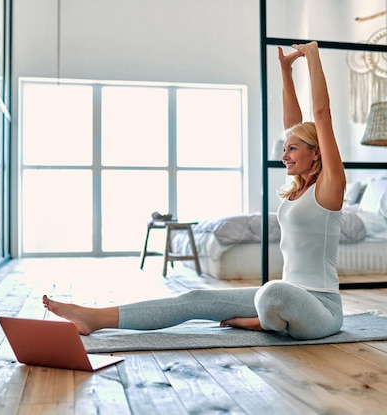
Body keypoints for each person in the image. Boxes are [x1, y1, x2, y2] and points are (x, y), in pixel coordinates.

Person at [42, 42, 346, 340]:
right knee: (195, 298)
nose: (285, 154)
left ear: (316, 153)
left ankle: (261, 322)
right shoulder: (297, 188)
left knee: (273, 291)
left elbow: (322, 114)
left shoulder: (330, 187)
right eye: (285, 148)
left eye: (292, 149)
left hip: (321, 308)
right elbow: (294, 126)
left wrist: (313, 55)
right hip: (285, 296)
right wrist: (285, 70)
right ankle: (95, 318)